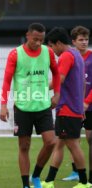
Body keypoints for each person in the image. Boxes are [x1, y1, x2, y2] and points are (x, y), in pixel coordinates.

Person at [0, 23, 60, 188]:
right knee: (24, 146)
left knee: (51, 142)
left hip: (43, 106)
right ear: (27, 36)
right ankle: (25, 184)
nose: (38, 43)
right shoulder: (15, 54)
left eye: (41, 40)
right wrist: (3, 105)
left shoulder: (48, 52)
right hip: (22, 108)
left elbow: (56, 73)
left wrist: (57, 94)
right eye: (35, 39)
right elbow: (6, 81)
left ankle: (36, 175)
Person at [41, 27, 89, 188]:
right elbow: (82, 83)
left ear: (59, 43)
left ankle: (84, 182)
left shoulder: (66, 56)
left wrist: (37, 88)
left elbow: (58, 80)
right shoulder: (77, 55)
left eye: (52, 46)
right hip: (73, 108)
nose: (52, 50)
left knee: (73, 145)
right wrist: (81, 107)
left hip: (67, 109)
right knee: (59, 143)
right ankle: (49, 181)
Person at [62, 26, 92, 182]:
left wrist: (86, 102)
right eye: (81, 40)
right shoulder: (70, 57)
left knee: (90, 138)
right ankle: (76, 172)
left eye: (86, 39)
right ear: (73, 41)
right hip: (73, 106)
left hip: (89, 106)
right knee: (73, 140)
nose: (84, 42)